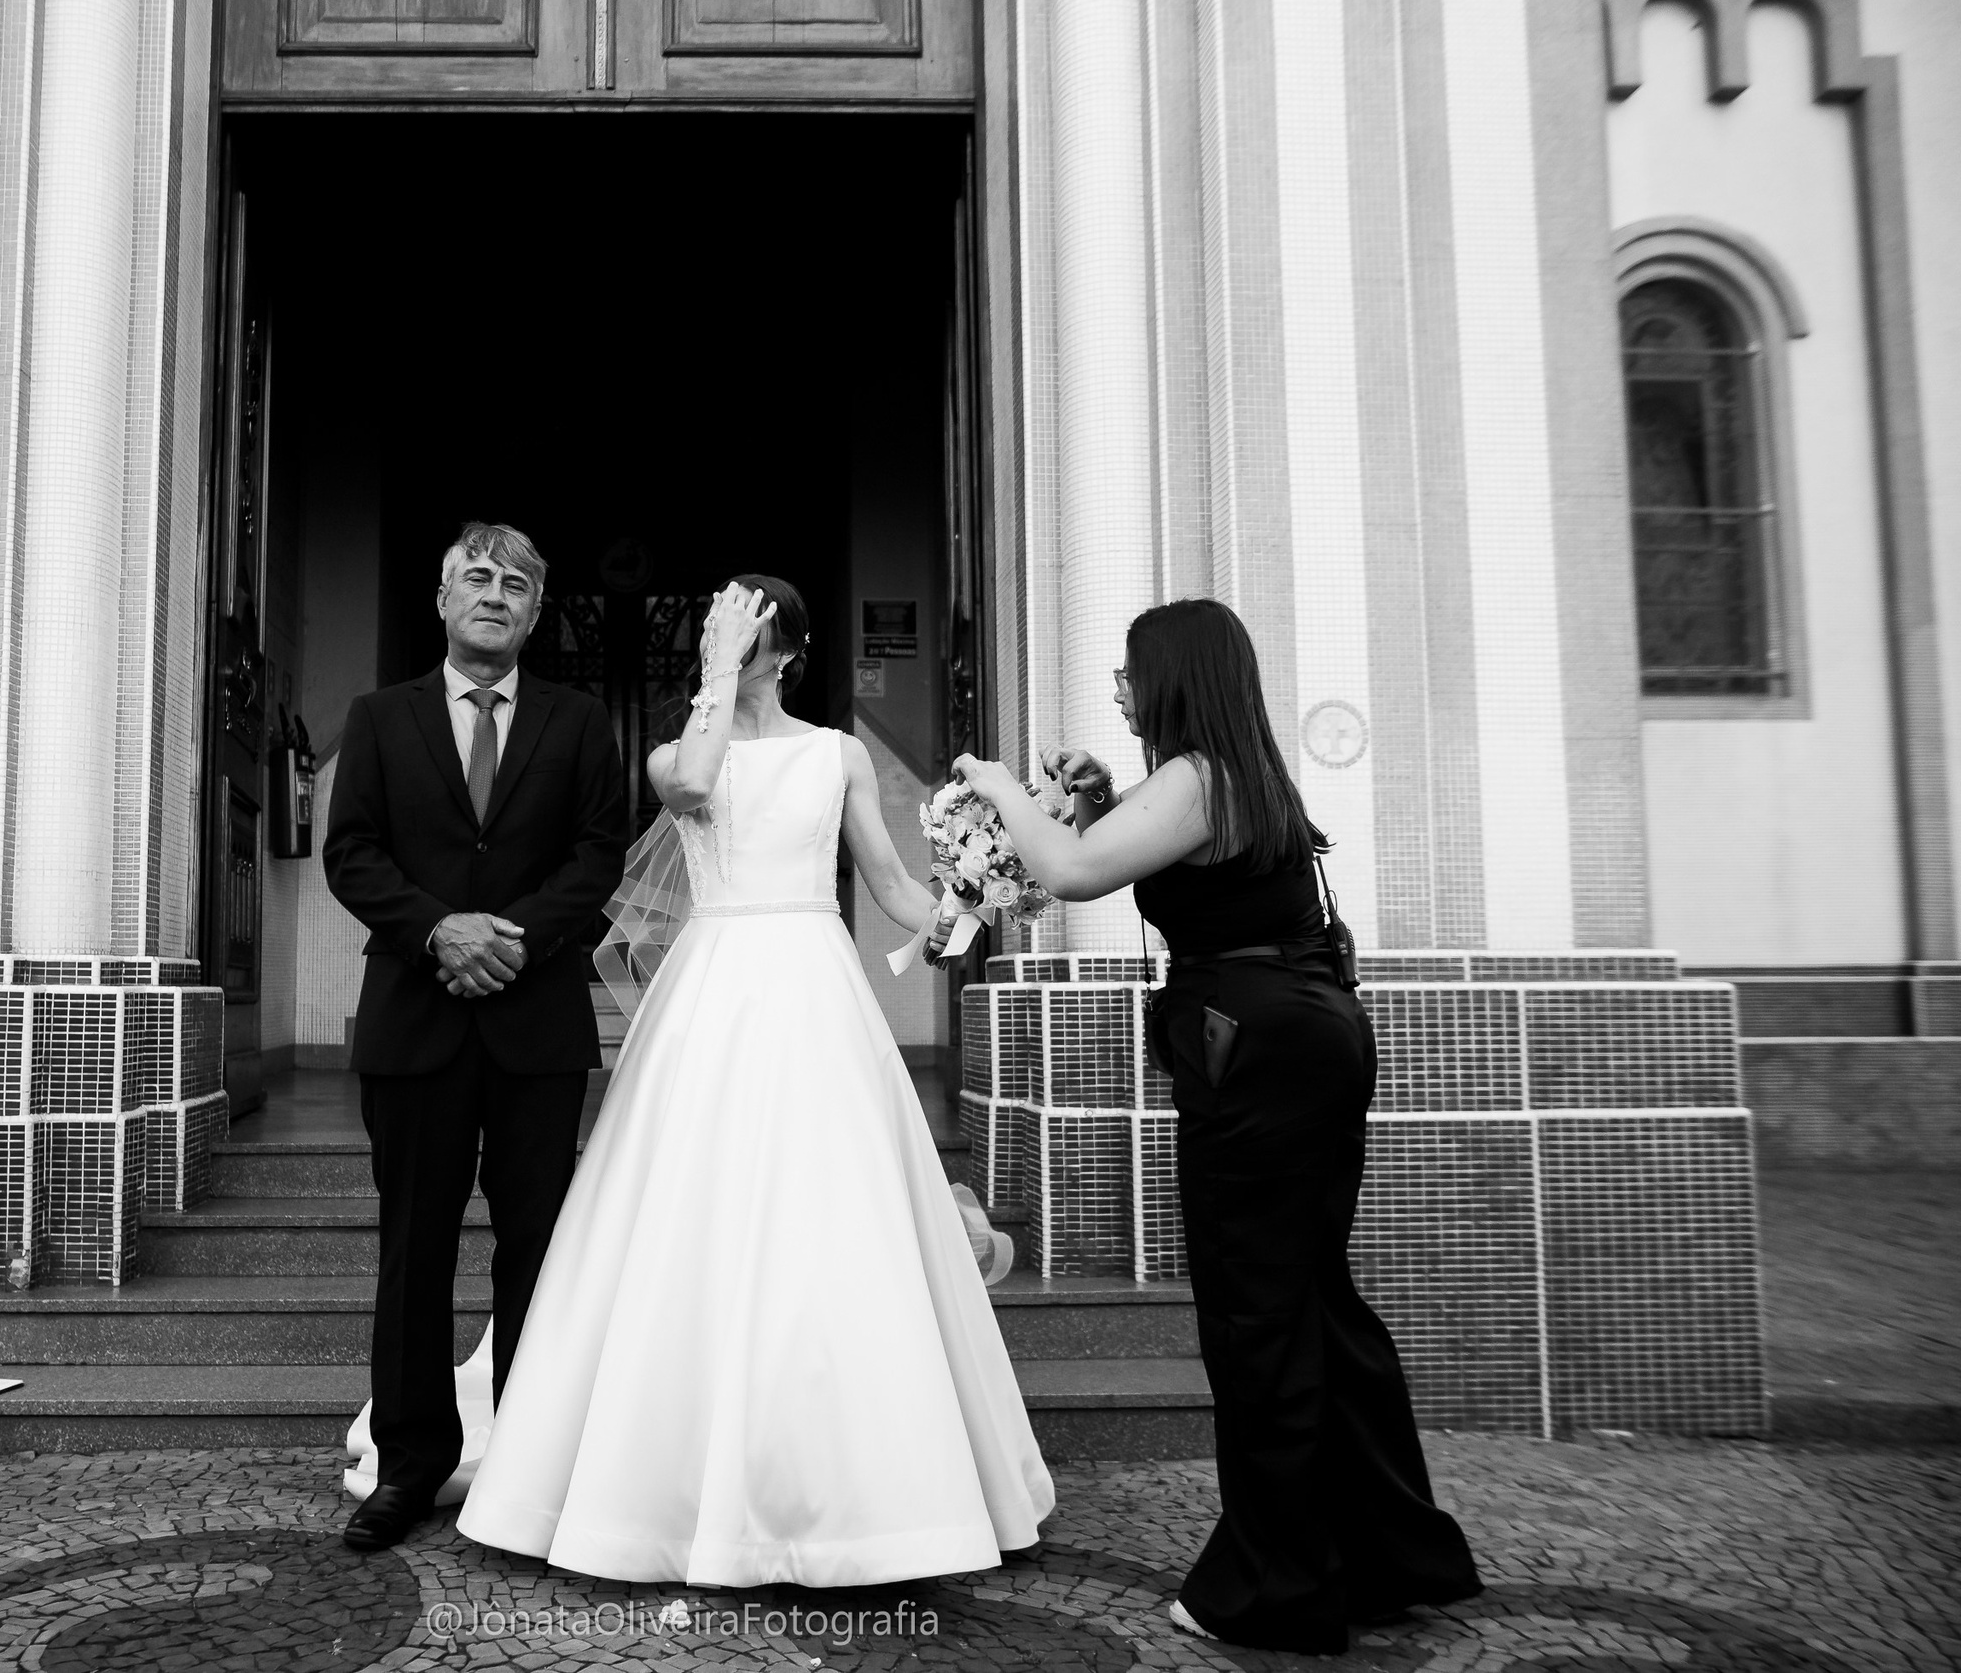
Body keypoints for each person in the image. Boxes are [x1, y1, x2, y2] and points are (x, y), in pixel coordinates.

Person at [454, 577, 1055, 1587]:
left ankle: (869, 1491)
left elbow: (894, 886)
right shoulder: (674, 749)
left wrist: (975, 900)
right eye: (713, 627)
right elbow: (692, 789)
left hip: (815, 989)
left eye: (745, 628)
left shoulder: (839, 752)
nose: (723, 639)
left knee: (831, 1219)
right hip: (713, 987)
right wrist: (714, 672)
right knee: (693, 1209)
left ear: (791, 647)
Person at [949, 596, 1480, 1656]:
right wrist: (1090, 796)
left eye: (1127, 672)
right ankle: (1385, 1553)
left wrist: (1000, 787)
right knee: (1315, 1302)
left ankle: (1278, 1583)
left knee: (1257, 1315)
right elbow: (1115, 843)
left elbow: (1071, 871)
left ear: (1172, 678)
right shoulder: (1228, 773)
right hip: (1306, 1038)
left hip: (1261, 1056)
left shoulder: (1198, 776)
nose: (1117, 690)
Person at [322, 521, 629, 1554]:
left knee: (537, 1249)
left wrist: (516, 939)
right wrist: (436, 931)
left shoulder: (579, 720)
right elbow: (350, 851)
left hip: (535, 1023)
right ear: (444, 599)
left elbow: (598, 858)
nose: (496, 592)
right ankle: (411, 1464)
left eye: (518, 582)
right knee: (415, 1247)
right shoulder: (378, 717)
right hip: (415, 1019)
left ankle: (529, 1466)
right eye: (478, 576)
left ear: (538, 611)